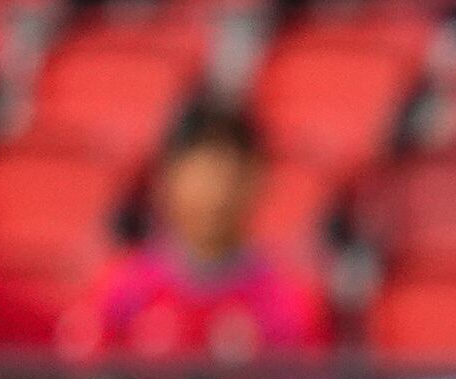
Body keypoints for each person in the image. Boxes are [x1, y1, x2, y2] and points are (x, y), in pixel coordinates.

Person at [63, 110, 330, 365]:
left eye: (226, 174)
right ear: (167, 179)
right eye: (200, 174)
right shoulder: (120, 292)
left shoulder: (290, 306)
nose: (213, 193)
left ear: (257, 179)